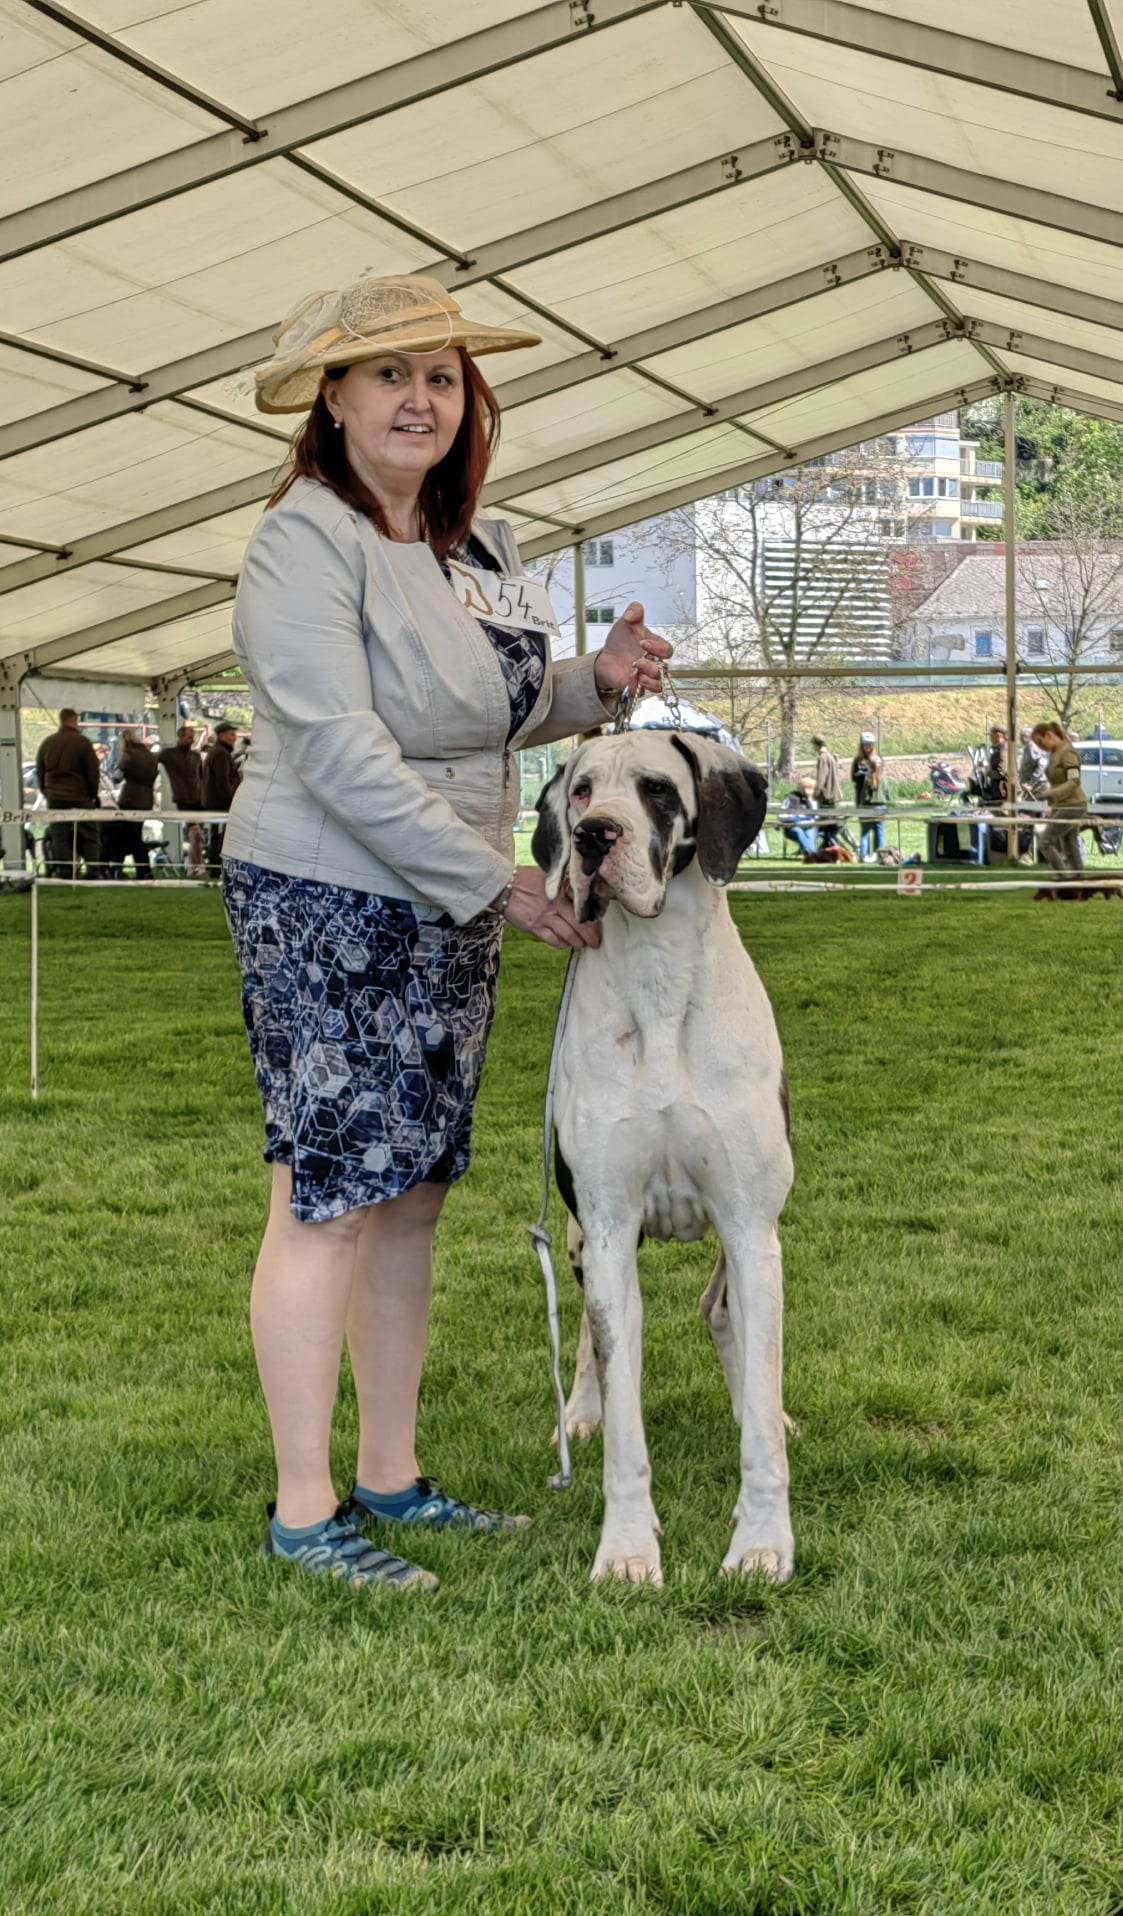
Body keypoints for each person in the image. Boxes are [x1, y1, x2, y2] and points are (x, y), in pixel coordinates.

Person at [220, 270, 671, 1594]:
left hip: (447, 896)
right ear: (334, 401)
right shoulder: (300, 542)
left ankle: (391, 1478)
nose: (419, 397)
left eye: (440, 374)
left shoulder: (473, 546)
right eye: (387, 374)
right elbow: (346, 754)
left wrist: (597, 683)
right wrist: (500, 885)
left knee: (410, 1198)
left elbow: (478, 712)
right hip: (327, 894)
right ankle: (307, 1512)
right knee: (328, 1200)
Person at [35, 708, 99, 878]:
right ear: (74, 720)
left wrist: (47, 792)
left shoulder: (48, 742)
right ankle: (93, 870)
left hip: (55, 796)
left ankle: (65, 871)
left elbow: (40, 771)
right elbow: (93, 771)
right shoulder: (83, 742)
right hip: (79, 796)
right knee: (90, 833)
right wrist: (92, 795)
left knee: (59, 836)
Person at [1031, 720, 1087, 899]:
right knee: (1069, 845)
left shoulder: (1067, 751)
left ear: (1049, 735)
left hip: (1073, 805)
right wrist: (1051, 802)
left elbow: (1074, 781)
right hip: (1062, 805)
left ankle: (1065, 881)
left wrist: (1050, 793)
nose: (1040, 747)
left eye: (1040, 742)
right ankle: (1080, 883)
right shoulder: (1054, 753)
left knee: (1045, 842)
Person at [158, 723, 206, 874]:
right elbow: (152, 761)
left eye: (192, 738)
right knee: (195, 832)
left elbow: (202, 777)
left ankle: (194, 865)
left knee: (197, 834)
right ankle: (197, 866)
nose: (191, 740)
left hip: (199, 799)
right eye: (188, 737)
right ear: (180, 737)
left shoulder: (196, 756)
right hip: (183, 799)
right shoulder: (168, 754)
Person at [114, 728, 159, 879]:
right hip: (147, 799)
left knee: (127, 836)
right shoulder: (150, 755)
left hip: (130, 799)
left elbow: (117, 776)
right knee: (135, 835)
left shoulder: (128, 755)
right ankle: (144, 870)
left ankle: (137, 870)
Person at [203, 719, 242, 875]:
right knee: (220, 837)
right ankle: (216, 869)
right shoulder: (221, 754)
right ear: (222, 736)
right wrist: (231, 800)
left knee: (216, 836)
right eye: (232, 734)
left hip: (214, 802)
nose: (235, 738)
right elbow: (223, 781)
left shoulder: (216, 752)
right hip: (221, 803)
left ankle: (214, 869)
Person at [851, 732, 886, 860]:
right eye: (865, 744)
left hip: (876, 802)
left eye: (870, 744)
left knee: (878, 831)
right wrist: (861, 775)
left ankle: (880, 855)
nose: (867, 747)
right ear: (861, 745)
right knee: (865, 830)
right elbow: (853, 778)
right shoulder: (857, 760)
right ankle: (864, 855)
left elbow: (881, 781)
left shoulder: (878, 759)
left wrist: (867, 775)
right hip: (863, 800)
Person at [810, 734, 842, 848]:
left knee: (823, 824)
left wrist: (815, 794)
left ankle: (820, 846)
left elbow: (821, 778)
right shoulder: (830, 756)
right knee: (830, 825)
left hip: (826, 797)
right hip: (834, 796)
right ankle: (826, 845)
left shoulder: (822, 757)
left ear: (816, 745)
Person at [779, 776, 819, 856]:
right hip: (792, 827)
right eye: (807, 788)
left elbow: (815, 816)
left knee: (810, 832)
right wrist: (794, 819)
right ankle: (813, 855)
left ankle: (810, 853)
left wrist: (809, 799)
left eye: (812, 789)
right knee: (799, 831)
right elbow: (781, 816)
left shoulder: (812, 801)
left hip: (808, 826)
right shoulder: (791, 798)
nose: (810, 791)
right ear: (801, 788)